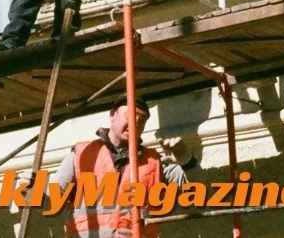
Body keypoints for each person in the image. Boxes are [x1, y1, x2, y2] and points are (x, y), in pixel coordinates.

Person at [54, 96, 197, 237]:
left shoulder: (153, 161)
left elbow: (196, 193)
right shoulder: (82, 154)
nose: (135, 123)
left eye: (141, 121)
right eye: (130, 116)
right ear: (112, 115)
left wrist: (185, 159)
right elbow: (52, 195)